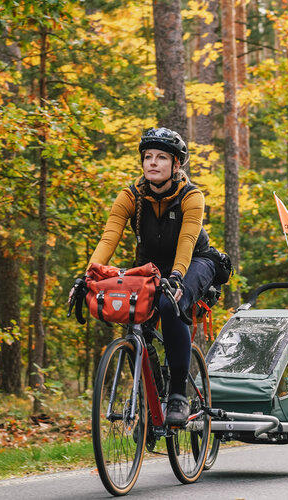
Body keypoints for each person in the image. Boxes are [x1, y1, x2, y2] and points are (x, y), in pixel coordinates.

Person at [84, 127, 215, 427]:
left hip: (195, 260)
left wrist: (178, 277)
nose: (153, 163)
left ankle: (179, 395)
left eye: (161, 158)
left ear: (176, 164)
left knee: (171, 306)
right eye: (148, 157)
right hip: (150, 266)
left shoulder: (191, 196)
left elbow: (187, 240)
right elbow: (110, 236)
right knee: (132, 314)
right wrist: (90, 273)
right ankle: (151, 393)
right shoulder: (130, 195)